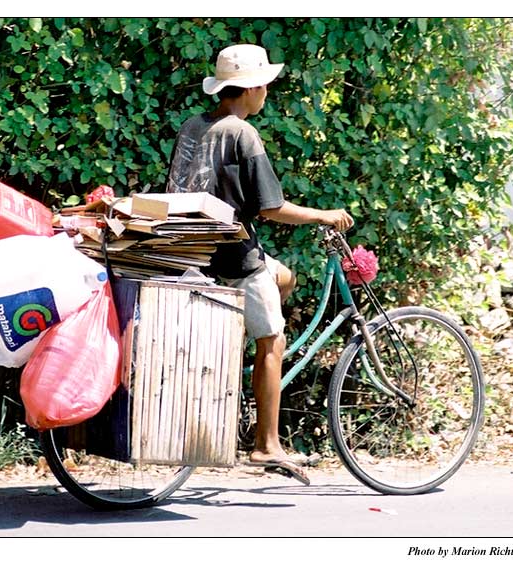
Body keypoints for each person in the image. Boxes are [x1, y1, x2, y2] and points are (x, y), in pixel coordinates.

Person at [166, 44, 354, 483]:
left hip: (191, 251)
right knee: (273, 340)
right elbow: (270, 207)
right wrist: (323, 215)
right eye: (264, 83)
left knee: (284, 277)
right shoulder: (242, 134)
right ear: (250, 89)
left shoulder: (193, 127)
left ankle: (245, 358)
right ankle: (266, 444)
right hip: (234, 257)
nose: (267, 89)